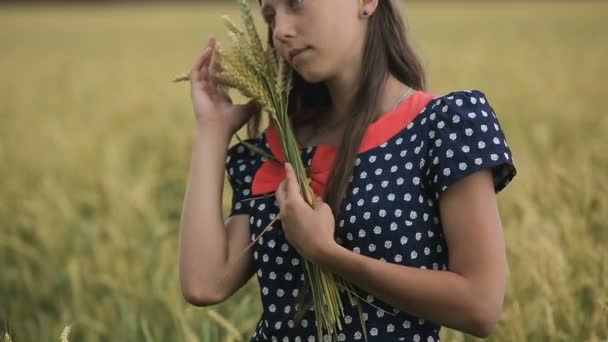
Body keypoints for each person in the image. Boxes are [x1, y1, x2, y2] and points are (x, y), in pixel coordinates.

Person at [178, 0, 518, 341]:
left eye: (295, 4)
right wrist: (212, 128)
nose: (280, 30)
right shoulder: (280, 147)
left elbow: (480, 306)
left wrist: (327, 253)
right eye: (270, 16)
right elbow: (204, 284)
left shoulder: (444, 126)